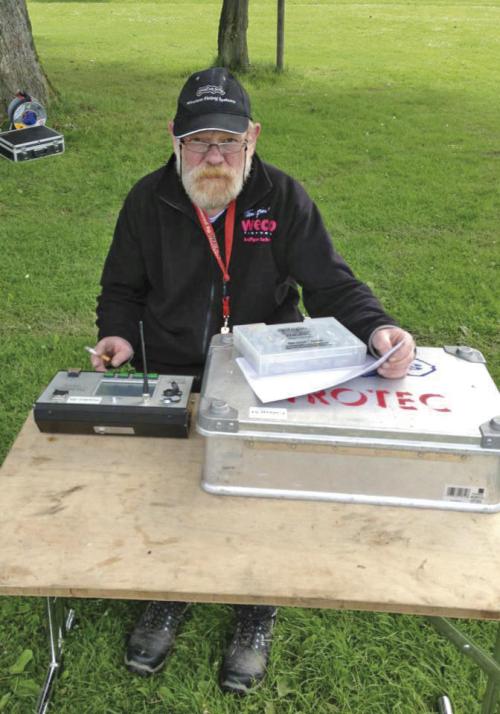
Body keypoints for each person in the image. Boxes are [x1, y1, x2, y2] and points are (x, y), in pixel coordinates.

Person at [90, 67, 415, 694]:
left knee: (262, 490)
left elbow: (330, 283)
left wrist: (377, 329)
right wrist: (120, 336)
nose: (214, 157)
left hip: (268, 374)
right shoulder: (146, 201)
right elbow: (121, 290)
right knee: (173, 489)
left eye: (228, 143)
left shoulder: (283, 198)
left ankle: (255, 606)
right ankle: (170, 591)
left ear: (254, 138)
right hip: (178, 371)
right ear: (174, 139)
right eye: (199, 142)